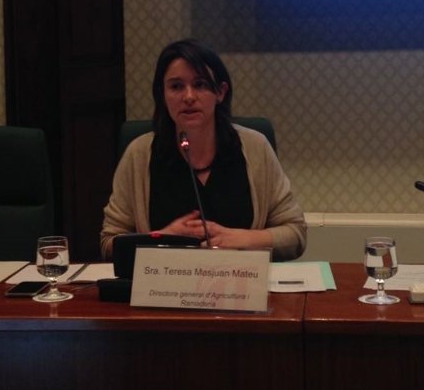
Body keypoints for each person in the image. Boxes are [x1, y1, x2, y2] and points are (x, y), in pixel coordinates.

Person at [101, 39, 307, 261]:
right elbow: (109, 243)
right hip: (167, 280)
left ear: (220, 92)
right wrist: (162, 238)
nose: (189, 97)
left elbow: (295, 233)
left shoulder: (256, 147)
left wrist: (240, 239)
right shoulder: (139, 155)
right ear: (162, 94)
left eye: (200, 85)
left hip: (239, 279)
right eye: (176, 87)